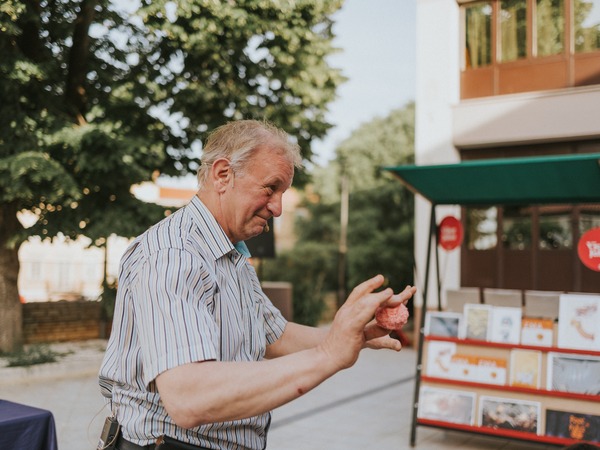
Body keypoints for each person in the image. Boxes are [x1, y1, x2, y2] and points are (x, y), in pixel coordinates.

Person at [98, 119, 416, 450]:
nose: (278, 207)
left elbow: (274, 335)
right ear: (223, 175)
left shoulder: (230, 255)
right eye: (270, 188)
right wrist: (328, 354)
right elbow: (189, 397)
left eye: (283, 193)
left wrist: (353, 331)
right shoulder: (173, 255)